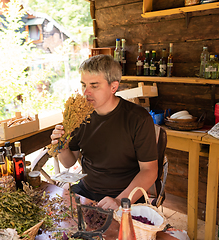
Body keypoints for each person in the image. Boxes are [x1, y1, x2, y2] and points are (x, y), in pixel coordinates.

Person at [50, 54, 158, 210]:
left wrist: (120, 201)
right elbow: (68, 162)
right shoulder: (79, 116)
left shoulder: (138, 119)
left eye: (94, 86)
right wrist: (61, 146)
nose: (86, 92)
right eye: (83, 85)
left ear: (113, 87)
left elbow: (149, 171)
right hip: (87, 190)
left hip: (126, 195)